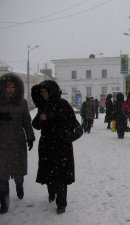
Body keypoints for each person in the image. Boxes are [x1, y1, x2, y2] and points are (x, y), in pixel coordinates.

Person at [31, 80, 77, 214]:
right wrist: (41, 118)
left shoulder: (63, 104)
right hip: (46, 145)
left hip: (62, 145)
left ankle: (61, 203)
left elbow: (72, 122)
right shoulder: (42, 106)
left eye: (45, 91)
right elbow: (36, 125)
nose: (43, 94)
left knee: (61, 175)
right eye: (42, 92)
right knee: (48, 172)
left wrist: (53, 116)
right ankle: (51, 192)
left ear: (51, 91)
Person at [0, 73, 35, 214]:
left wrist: (30, 137)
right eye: (7, 87)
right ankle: (4, 202)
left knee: (18, 174)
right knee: (1, 176)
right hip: (1, 144)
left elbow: (26, 121)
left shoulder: (22, 102)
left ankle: (19, 186)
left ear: (17, 88)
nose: (10, 89)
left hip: (17, 143)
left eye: (12, 87)